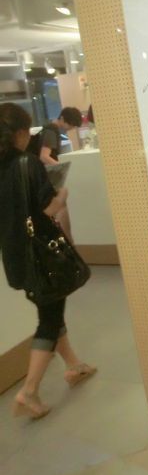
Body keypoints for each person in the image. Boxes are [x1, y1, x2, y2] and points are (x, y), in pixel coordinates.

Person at [0, 103, 96, 420]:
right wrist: (62, 197)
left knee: (49, 307)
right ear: (19, 132)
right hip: (41, 255)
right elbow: (48, 210)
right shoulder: (27, 163)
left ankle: (74, 365)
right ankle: (29, 391)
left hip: (16, 255)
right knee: (50, 318)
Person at [27, 106, 82, 241]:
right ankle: (66, 239)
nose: (71, 127)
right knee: (60, 207)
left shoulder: (48, 129)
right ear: (62, 118)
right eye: (70, 123)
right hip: (48, 175)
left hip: (44, 175)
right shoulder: (52, 131)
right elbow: (44, 156)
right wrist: (60, 167)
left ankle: (65, 239)